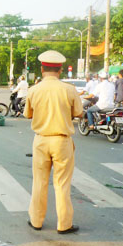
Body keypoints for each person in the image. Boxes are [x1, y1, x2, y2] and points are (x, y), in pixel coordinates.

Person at [24, 50, 83, 234]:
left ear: (42, 69)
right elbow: (79, 113)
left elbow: (27, 114)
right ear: (61, 69)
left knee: (39, 182)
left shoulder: (33, 90)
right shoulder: (69, 89)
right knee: (62, 184)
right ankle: (64, 224)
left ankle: (36, 221)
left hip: (41, 141)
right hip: (61, 141)